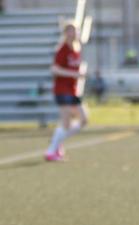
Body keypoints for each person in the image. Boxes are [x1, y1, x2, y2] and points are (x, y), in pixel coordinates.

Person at [45, 23, 88, 162]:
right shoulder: (62, 49)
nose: (72, 34)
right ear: (65, 34)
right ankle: (51, 150)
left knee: (83, 120)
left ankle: (58, 140)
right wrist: (73, 74)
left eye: (74, 31)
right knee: (66, 123)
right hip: (62, 90)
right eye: (69, 31)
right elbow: (54, 70)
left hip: (73, 91)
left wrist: (80, 74)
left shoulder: (76, 49)